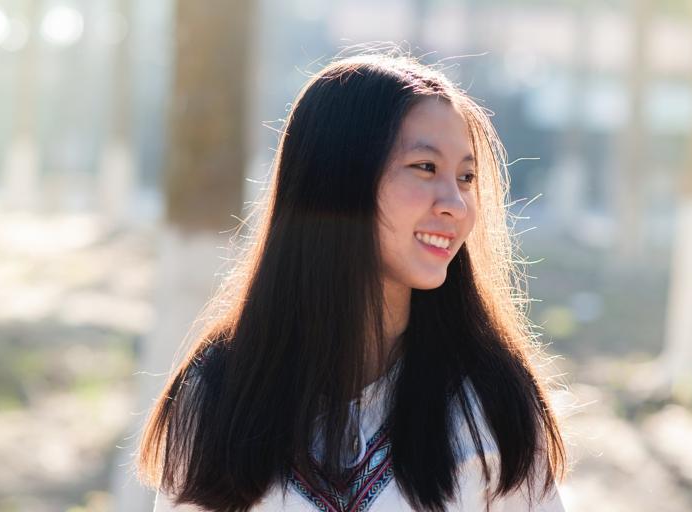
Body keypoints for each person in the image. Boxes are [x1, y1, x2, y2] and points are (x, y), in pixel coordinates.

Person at [138, 51, 567, 511]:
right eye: (426, 167)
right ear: (339, 179)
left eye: (466, 177)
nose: (456, 205)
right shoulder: (218, 399)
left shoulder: (491, 402)